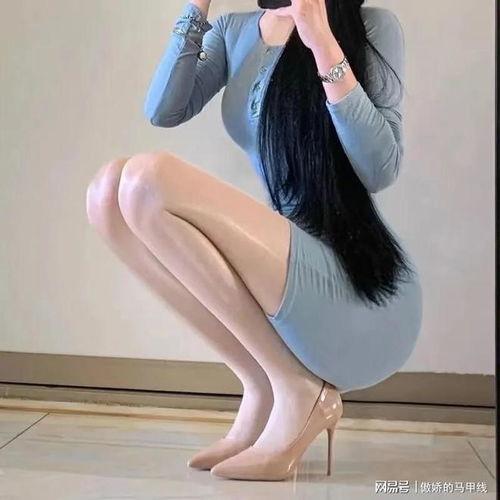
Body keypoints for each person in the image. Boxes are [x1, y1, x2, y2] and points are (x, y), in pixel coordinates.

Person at [86, 0, 423, 481]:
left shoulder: (373, 27)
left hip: (359, 288)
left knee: (147, 179)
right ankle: (263, 383)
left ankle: (297, 388)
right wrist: (197, 5)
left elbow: (380, 169)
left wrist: (321, 39)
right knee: (107, 195)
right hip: (283, 270)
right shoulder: (236, 31)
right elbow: (163, 109)